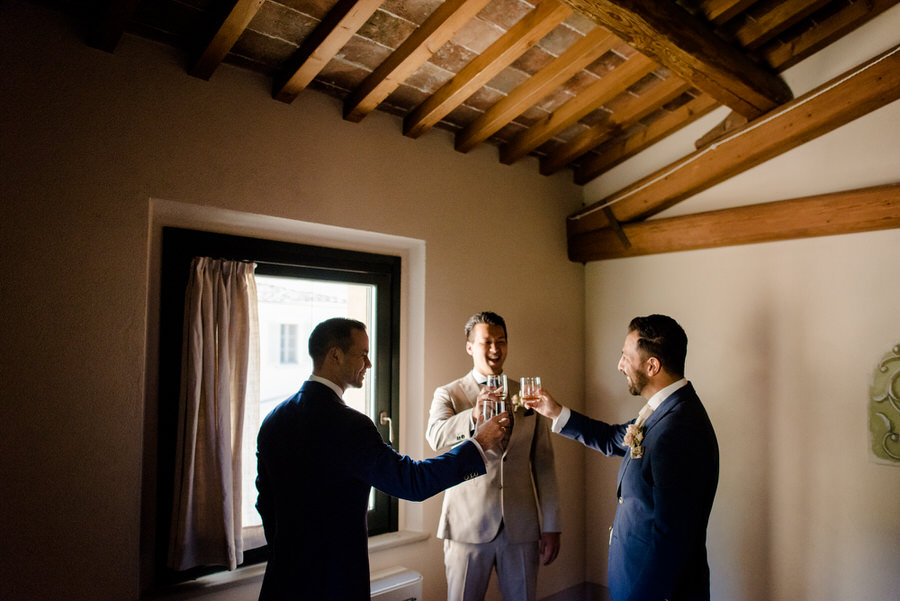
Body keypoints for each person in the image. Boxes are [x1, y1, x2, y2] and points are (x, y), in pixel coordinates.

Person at [256, 318, 509, 601]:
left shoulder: (273, 420)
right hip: (335, 581)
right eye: (362, 354)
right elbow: (413, 482)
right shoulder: (350, 425)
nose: (369, 363)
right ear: (335, 355)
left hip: (282, 579)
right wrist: (479, 443)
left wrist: (288, 549)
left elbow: (265, 502)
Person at [524, 314, 718, 601]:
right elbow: (614, 438)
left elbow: (671, 539)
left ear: (652, 366)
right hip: (634, 579)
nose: (619, 365)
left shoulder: (679, 429)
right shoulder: (664, 409)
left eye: (626, 356)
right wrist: (556, 412)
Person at [427, 311, 561, 601]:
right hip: (466, 525)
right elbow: (435, 436)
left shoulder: (526, 393)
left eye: (501, 341)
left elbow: (544, 464)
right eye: (487, 342)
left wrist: (551, 525)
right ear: (470, 347)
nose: (495, 349)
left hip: (521, 527)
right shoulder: (450, 394)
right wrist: (472, 416)